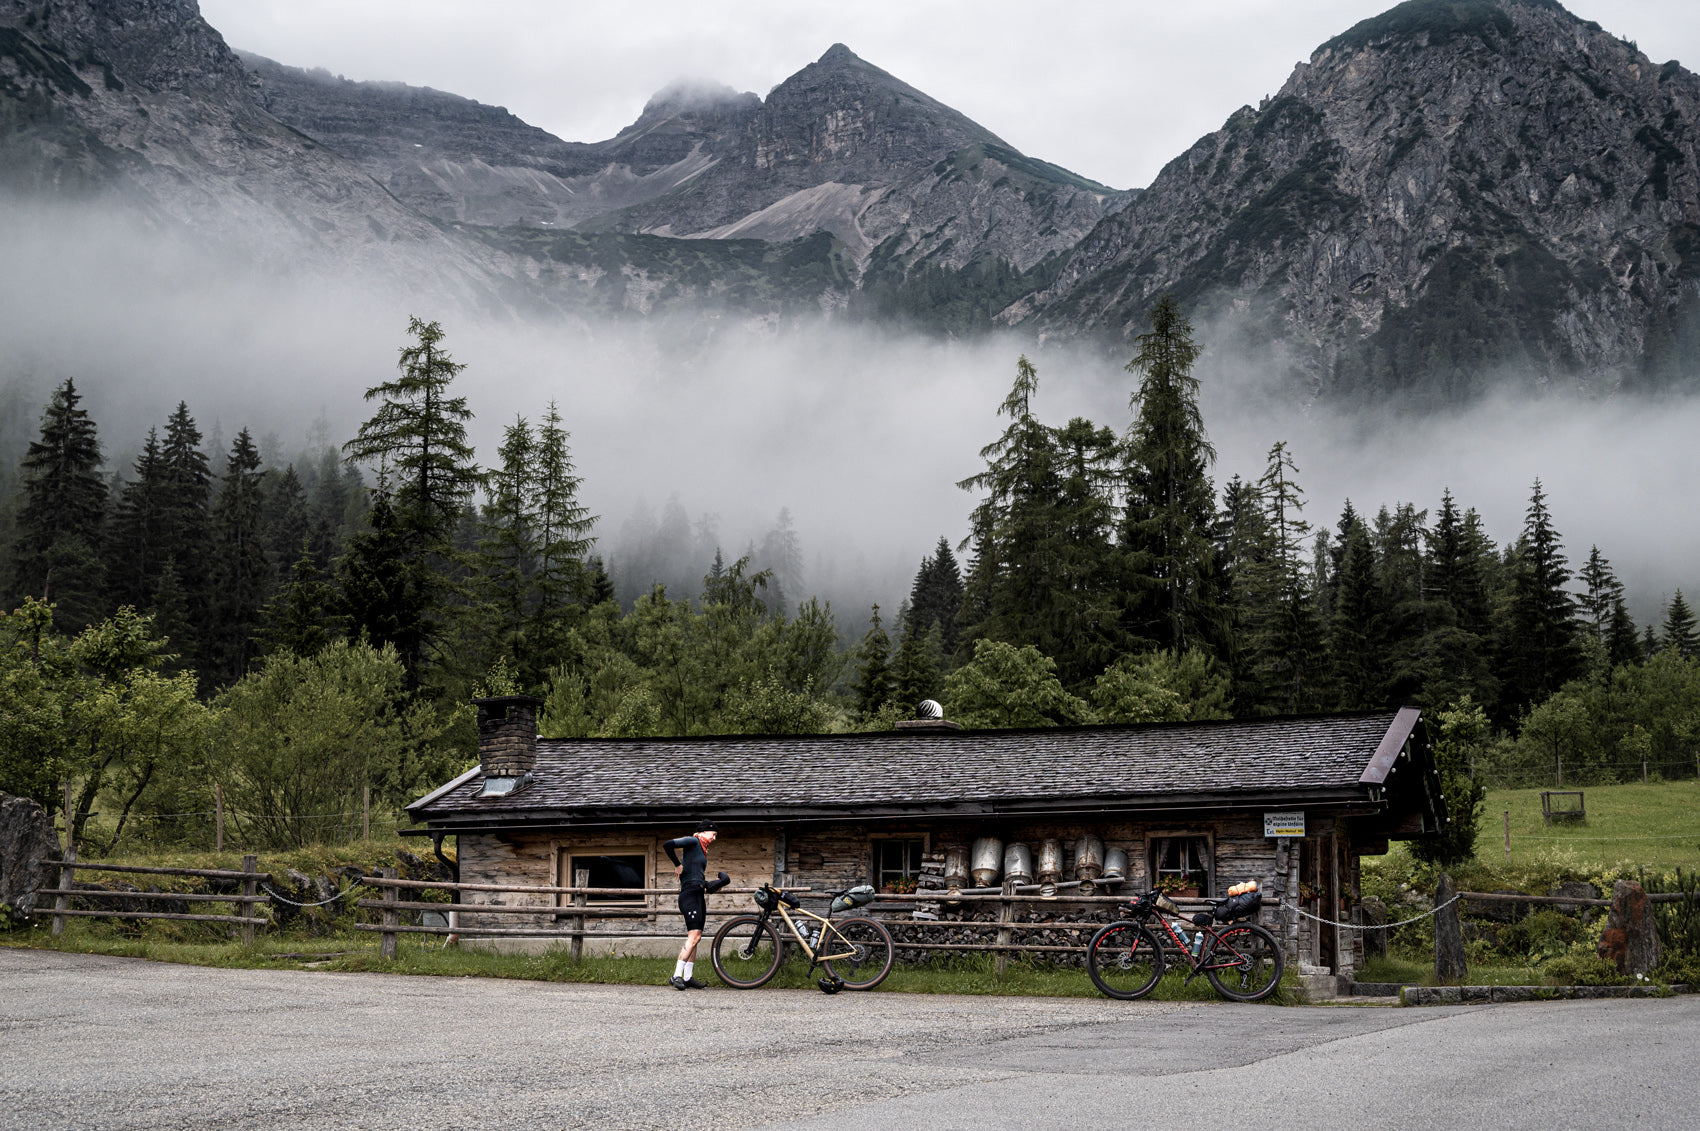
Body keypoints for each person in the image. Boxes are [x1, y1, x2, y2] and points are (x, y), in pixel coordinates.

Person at [663, 819, 728, 989]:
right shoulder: (693, 841)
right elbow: (668, 844)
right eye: (713, 834)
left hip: (698, 893)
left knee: (697, 938)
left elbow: (695, 876)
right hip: (689, 894)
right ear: (704, 831)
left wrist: (715, 884)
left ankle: (688, 977)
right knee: (694, 937)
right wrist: (677, 865)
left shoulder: (702, 850)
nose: (714, 838)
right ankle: (676, 976)